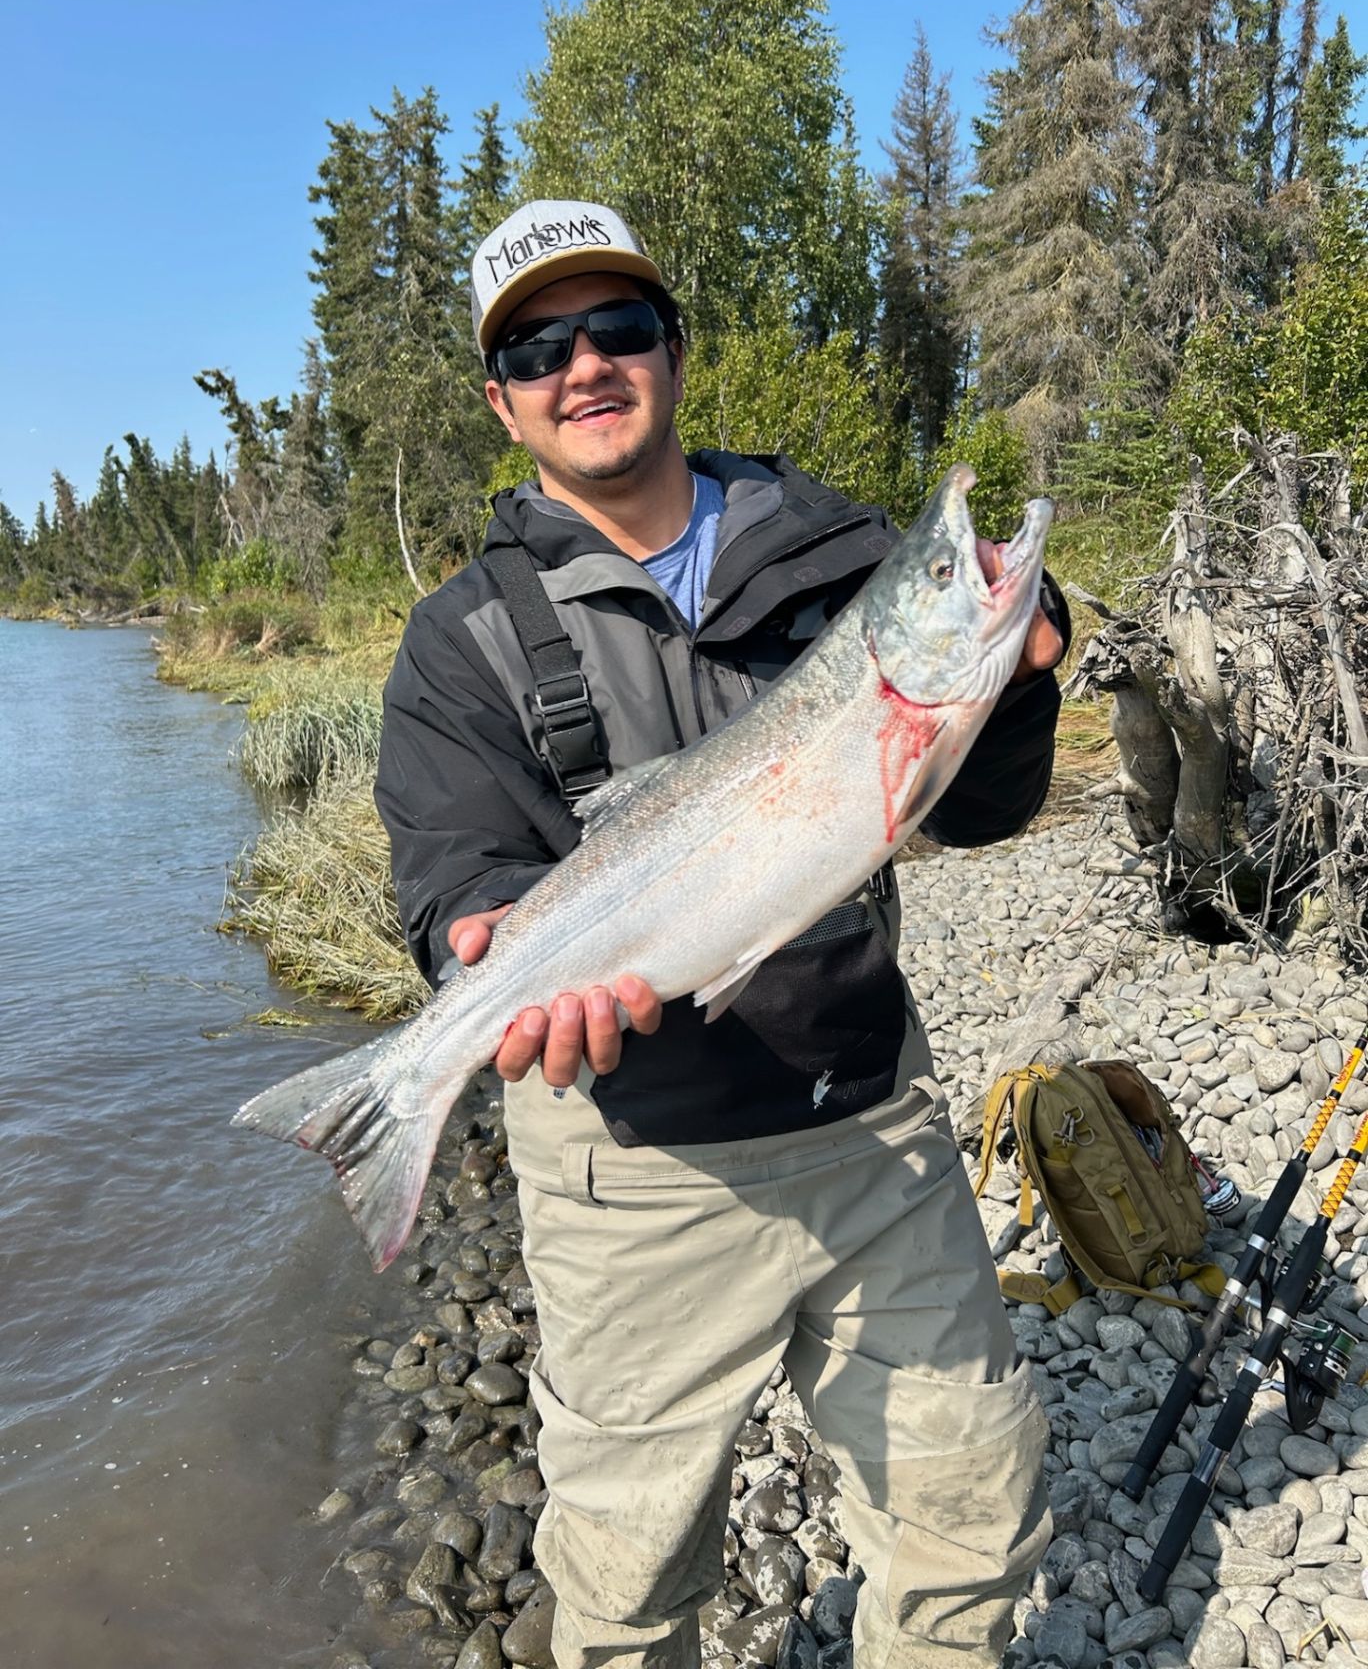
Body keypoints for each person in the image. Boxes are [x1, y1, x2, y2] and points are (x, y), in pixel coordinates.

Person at [374, 198, 1068, 1669]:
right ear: (503, 405)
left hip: (873, 1122)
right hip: (634, 1170)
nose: (586, 365)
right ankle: (399, 1095)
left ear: (674, 354)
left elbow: (982, 813)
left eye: (617, 327)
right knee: (625, 1602)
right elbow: (453, 868)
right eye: (538, 347)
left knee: (971, 1531)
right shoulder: (465, 637)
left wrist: (1017, 669)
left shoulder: (839, 550)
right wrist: (475, 955)